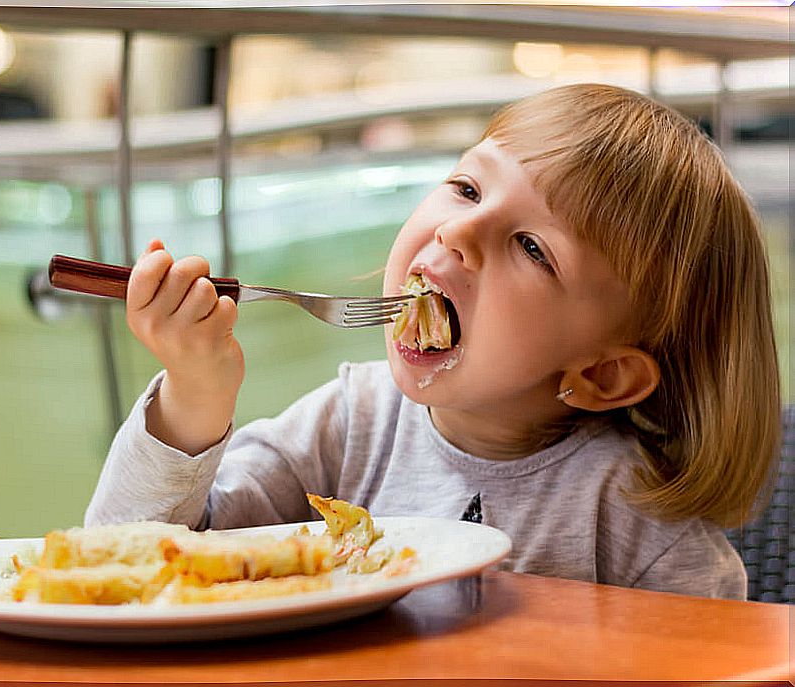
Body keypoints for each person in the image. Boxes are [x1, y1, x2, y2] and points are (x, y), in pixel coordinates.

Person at [85, 83, 781, 599]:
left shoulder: (632, 524)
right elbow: (129, 562)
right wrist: (195, 392)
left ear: (601, 374)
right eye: (467, 187)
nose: (457, 231)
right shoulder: (349, 424)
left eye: (533, 247)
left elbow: (717, 659)